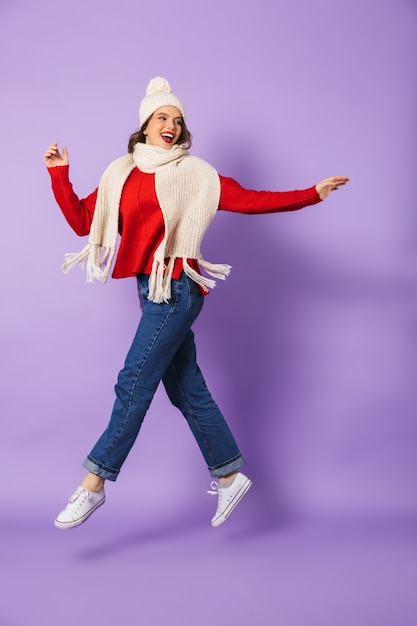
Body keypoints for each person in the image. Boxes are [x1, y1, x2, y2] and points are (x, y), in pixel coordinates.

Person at [44, 76, 349, 530]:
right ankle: (228, 475)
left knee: (132, 383)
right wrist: (60, 175)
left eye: (178, 120)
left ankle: (94, 483)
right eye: (163, 117)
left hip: (177, 290)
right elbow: (82, 222)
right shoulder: (120, 174)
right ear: (145, 125)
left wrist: (310, 194)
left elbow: (253, 200)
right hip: (149, 289)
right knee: (186, 388)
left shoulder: (197, 175)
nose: (171, 125)